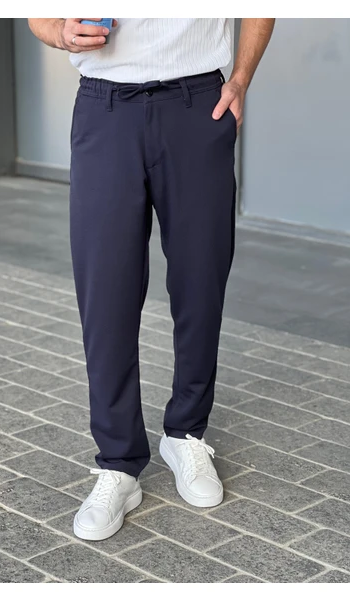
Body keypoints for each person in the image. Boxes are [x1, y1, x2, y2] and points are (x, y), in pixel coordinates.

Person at [28, 18, 275, 541]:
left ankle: (186, 433)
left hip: (198, 104)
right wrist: (60, 32)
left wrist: (241, 80)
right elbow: (37, 15)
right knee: (106, 294)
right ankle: (118, 463)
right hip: (105, 107)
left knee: (200, 283)